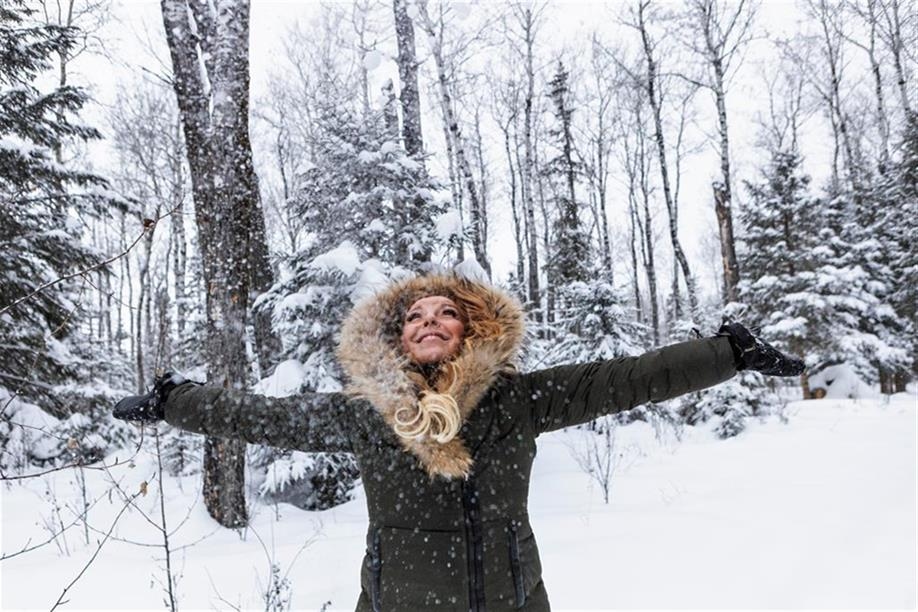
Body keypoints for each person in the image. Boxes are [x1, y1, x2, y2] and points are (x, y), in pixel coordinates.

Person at [113, 273, 804, 612]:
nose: (430, 321)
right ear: (395, 337)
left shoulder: (517, 399)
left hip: (513, 600)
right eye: (415, 315)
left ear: (471, 331)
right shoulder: (368, 413)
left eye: (447, 313)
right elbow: (260, 418)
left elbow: (622, 380)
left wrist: (727, 353)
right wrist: (177, 400)